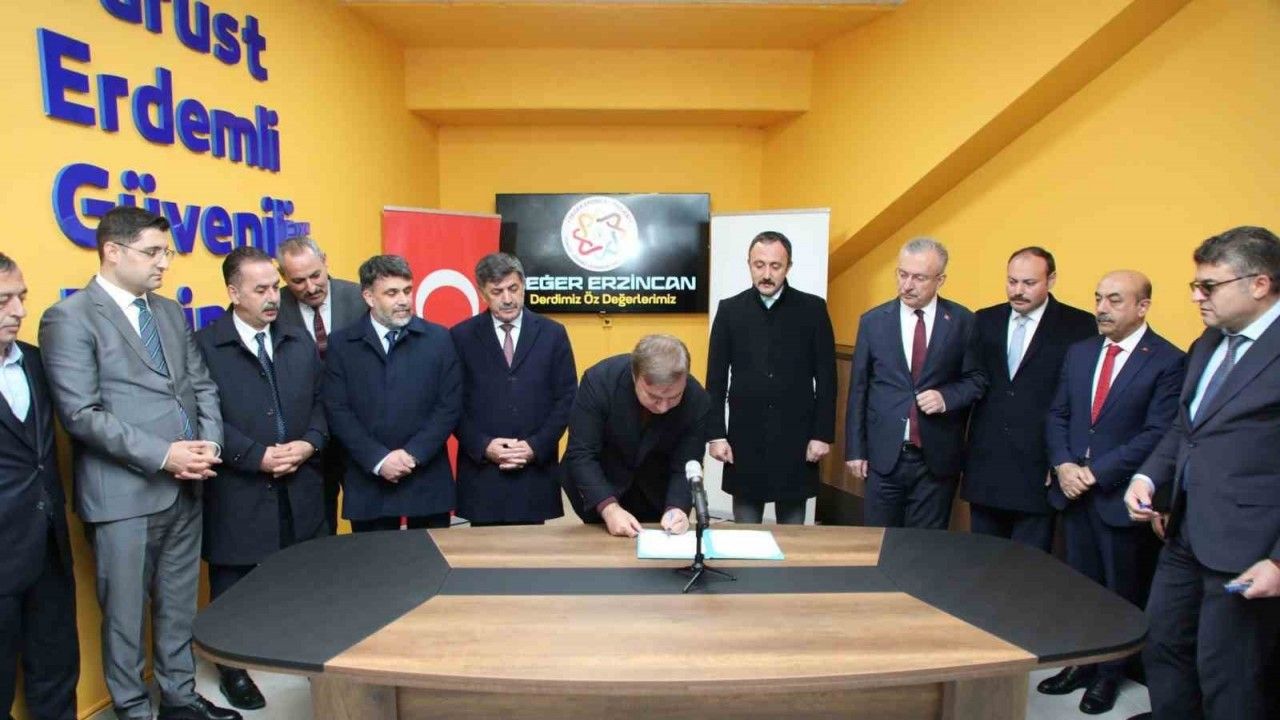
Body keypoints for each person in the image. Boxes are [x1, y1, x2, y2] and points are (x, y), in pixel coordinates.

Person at [39, 207, 238, 720]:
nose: (164, 263)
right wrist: (165, 455)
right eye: (152, 252)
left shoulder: (168, 312)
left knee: (179, 605)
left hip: (189, 485)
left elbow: (201, 386)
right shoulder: (70, 318)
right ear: (112, 251)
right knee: (125, 617)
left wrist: (209, 446)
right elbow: (81, 414)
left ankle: (179, 699)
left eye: (166, 252)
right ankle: (132, 708)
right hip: (123, 496)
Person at [1125, 227, 1280, 720]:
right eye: (1196, 285)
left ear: (1259, 284)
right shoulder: (1209, 341)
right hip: (1184, 533)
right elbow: (1185, 427)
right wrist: (1149, 478)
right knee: (1163, 645)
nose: (1196, 296)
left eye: (1208, 286)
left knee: (1228, 672)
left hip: (1249, 549)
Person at [1040, 270, 1185, 715]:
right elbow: (1058, 414)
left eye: (1115, 300)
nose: (1102, 308)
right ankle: (1080, 664)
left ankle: (1109, 674)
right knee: (1081, 588)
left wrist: (1095, 473)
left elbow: (1158, 433)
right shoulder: (1081, 352)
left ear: (1143, 306)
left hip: (1119, 497)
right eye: (1099, 298)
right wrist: (1064, 465)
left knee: (1119, 593)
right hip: (1073, 492)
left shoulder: (1167, 360)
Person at [194, 247, 328, 711]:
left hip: (300, 481)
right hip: (239, 486)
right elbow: (202, 415)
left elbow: (321, 401)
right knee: (234, 584)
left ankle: (303, 652)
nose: (274, 297)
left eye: (275, 287)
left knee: (305, 574)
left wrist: (310, 442)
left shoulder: (296, 338)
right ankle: (232, 668)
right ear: (234, 293)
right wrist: (255, 457)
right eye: (261, 290)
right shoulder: (205, 346)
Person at [843, 237, 986, 529]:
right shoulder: (873, 322)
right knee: (879, 542)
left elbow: (977, 379)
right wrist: (856, 450)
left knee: (925, 547)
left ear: (940, 280)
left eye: (919, 278)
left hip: (936, 459)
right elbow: (859, 389)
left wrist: (946, 398)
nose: (907, 285)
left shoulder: (962, 321)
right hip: (884, 457)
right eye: (902, 274)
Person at [963, 247, 1097, 551]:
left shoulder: (1078, 326)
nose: (1018, 291)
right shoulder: (985, 320)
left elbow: (1079, 402)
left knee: (1028, 565)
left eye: (1029, 283)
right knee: (980, 560)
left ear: (1051, 280)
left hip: (1039, 467)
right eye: (1012, 282)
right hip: (986, 464)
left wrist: (1061, 460)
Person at [706, 231, 836, 525]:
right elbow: (715, 379)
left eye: (775, 266)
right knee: (745, 531)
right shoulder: (730, 310)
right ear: (749, 264)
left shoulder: (813, 309)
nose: (766, 274)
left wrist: (821, 435)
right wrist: (716, 435)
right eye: (759, 265)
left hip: (797, 439)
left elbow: (827, 379)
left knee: (793, 532)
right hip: (745, 439)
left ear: (788, 267)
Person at [324, 255, 461, 532]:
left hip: (426, 479)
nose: (403, 300)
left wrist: (412, 455)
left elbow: (449, 405)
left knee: (429, 559)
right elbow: (338, 410)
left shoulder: (439, 339)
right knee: (375, 560)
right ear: (369, 297)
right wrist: (378, 460)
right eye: (392, 293)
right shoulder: (341, 344)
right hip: (369, 481)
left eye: (407, 291)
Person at [0, 253, 78, 720]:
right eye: (3, 301)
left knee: (56, 666)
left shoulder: (34, 361)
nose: (19, 311)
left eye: (21, 297)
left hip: (47, 543)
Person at [450, 252, 576, 526]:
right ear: (482, 293)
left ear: (523, 285)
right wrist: (483, 446)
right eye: (497, 292)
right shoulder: (461, 336)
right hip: (483, 474)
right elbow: (451, 403)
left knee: (530, 552)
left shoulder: (553, 333)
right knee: (484, 551)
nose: (507, 298)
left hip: (534, 472)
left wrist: (535, 446)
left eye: (513, 288)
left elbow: (567, 398)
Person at [562, 334, 709, 538]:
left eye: (674, 397)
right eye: (654, 397)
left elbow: (686, 463)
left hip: (656, 490)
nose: (663, 407)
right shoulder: (599, 381)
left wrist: (677, 508)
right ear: (634, 376)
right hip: (600, 482)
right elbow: (581, 453)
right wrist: (609, 508)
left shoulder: (697, 399)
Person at [275, 236, 365, 534]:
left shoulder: (359, 298)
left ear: (325, 262)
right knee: (316, 524)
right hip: (306, 436)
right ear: (283, 276)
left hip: (358, 431)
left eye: (316, 275)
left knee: (368, 524)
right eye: (298, 281)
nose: (311, 287)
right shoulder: (274, 307)